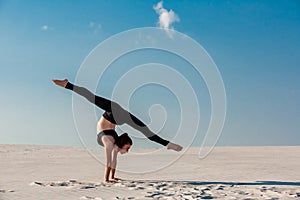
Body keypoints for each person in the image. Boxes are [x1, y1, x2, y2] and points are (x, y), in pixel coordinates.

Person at [52, 79, 182, 182]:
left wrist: (109, 178)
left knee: (144, 130)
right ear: (122, 143)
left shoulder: (110, 143)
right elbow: (110, 162)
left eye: (128, 148)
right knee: (92, 98)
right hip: (115, 114)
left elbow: (111, 161)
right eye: (128, 147)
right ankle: (67, 84)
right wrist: (108, 179)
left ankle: (168, 144)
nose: (128, 150)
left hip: (114, 115)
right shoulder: (111, 142)